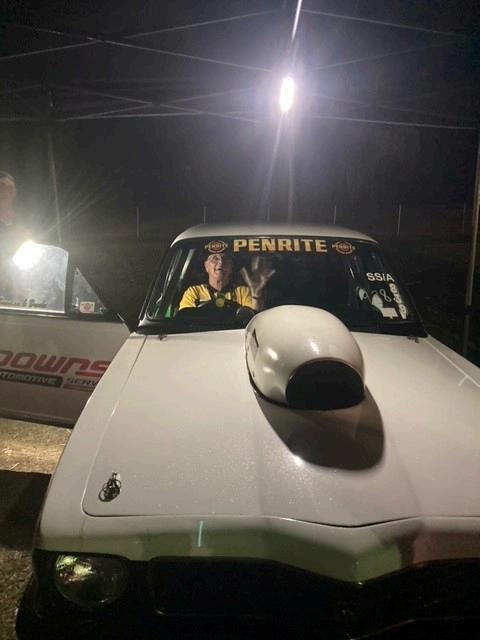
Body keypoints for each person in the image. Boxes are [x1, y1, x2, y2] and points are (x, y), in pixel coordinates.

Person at [178, 252, 274, 313]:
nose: (221, 263)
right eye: (215, 258)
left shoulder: (242, 292)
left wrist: (256, 293)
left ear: (231, 267)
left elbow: (254, 320)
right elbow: (184, 321)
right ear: (206, 266)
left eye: (226, 259)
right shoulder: (194, 292)